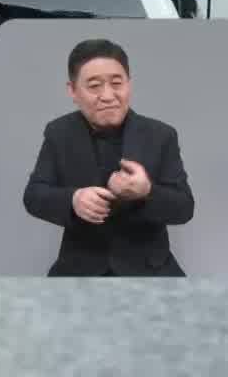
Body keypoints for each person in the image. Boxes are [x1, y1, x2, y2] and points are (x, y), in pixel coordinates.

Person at [23, 38, 193, 276]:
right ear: (72, 90)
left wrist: (147, 192)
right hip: (80, 267)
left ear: (129, 84)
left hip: (149, 268)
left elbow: (184, 208)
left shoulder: (161, 135)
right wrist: (74, 199)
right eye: (94, 86)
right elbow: (33, 195)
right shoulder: (58, 132)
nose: (108, 95)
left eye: (117, 83)